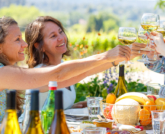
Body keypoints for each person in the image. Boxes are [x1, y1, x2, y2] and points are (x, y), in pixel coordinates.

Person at [0, 16, 142, 122]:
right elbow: (59, 74)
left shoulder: (6, 73)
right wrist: (105, 56)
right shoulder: (2, 74)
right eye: (17, 39)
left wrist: (119, 58)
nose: (25, 44)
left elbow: (76, 74)